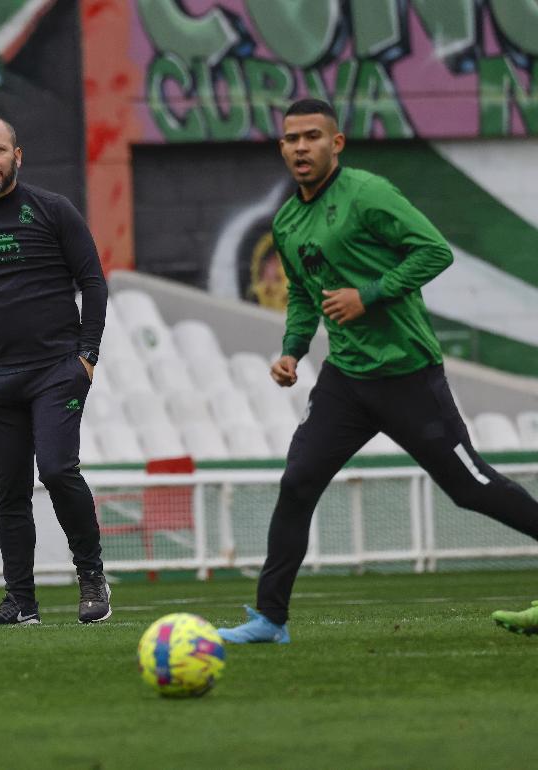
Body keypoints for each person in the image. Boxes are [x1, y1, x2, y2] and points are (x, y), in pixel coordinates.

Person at [218, 98, 538, 644]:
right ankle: (270, 620)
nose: (301, 147)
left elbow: (434, 252)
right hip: (345, 381)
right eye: (292, 138)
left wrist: (368, 295)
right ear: (282, 147)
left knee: (471, 486)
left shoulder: (368, 193)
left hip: (408, 375)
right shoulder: (288, 219)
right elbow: (302, 295)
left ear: (335, 144)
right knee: (297, 483)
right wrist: (293, 350)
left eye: (312, 136)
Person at [0, 116, 111, 627]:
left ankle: (91, 576)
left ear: (19, 155)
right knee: (9, 491)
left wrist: (87, 358)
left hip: (56, 372)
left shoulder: (53, 211)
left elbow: (94, 284)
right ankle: (21, 602)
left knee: (58, 470)